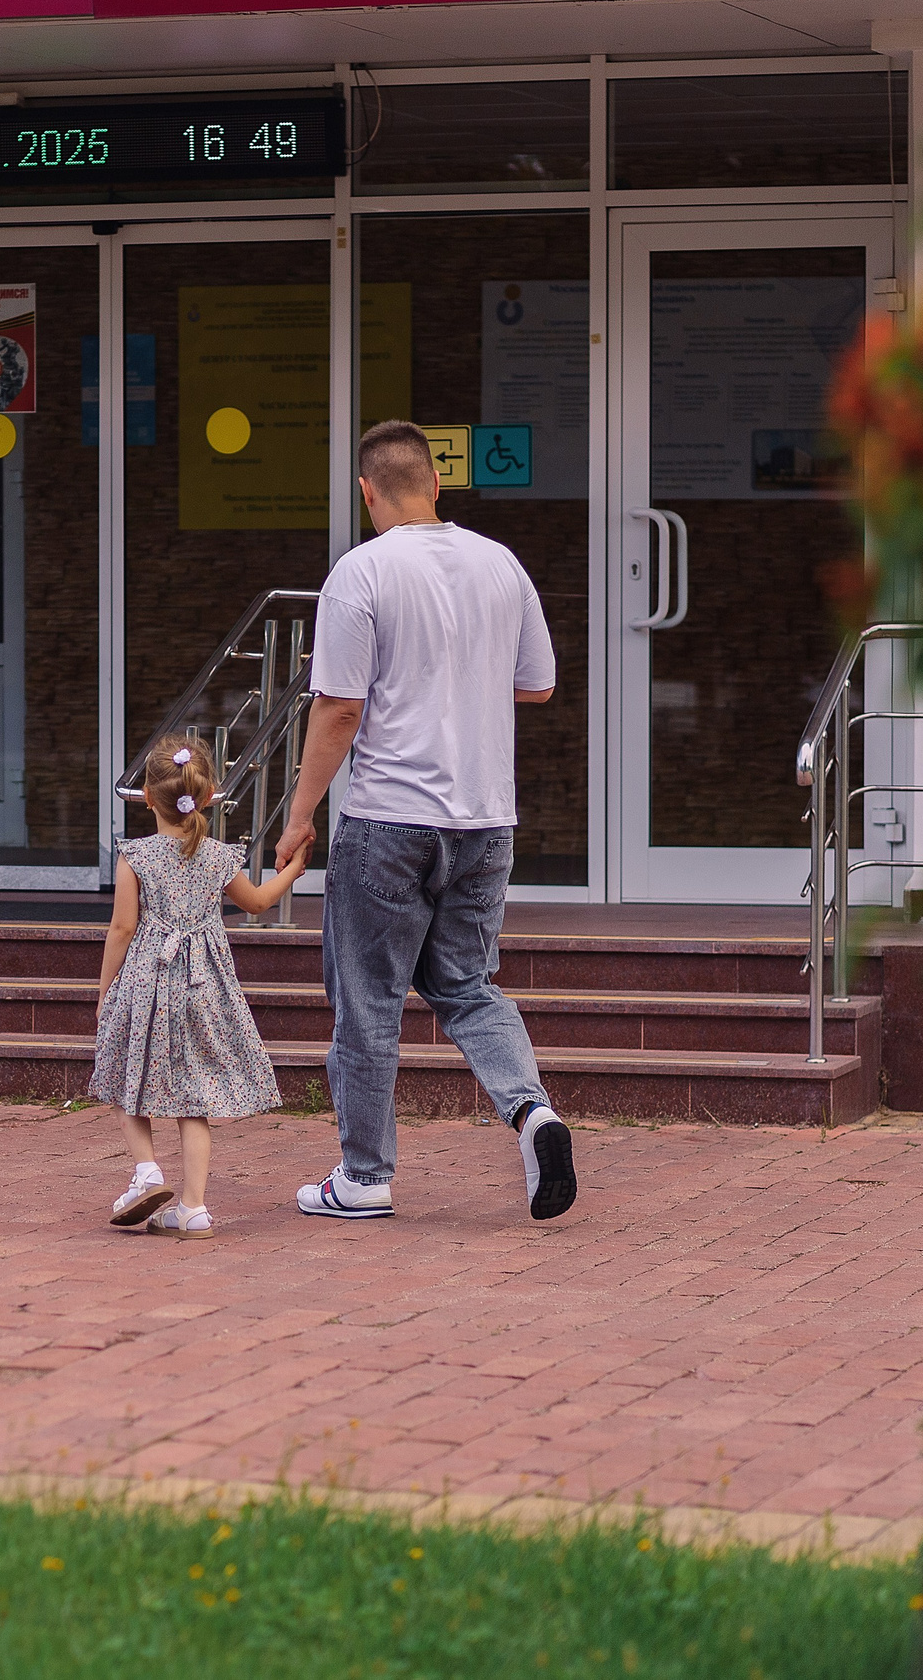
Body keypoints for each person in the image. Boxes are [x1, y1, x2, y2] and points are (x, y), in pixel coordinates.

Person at [275, 419, 577, 1224]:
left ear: (367, 491)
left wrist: (299, 816)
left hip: (387, 820)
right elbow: (538, 685)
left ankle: (365, 1176)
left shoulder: (361, 572)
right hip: (484, 820)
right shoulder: (501, 564)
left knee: (369, 1000)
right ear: (437, 484)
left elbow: (339, 707)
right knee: (469, 986)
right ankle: (533, 1112)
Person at [90, 741, 311, 1240]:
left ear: (146, 796)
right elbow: (255, 903)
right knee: (195, 1095)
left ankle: (146, 1170)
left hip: (149, 981)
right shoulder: (216, 858)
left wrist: (106, 990)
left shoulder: (136, 856)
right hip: (204, 985)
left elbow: (122, 929)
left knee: (131, 1073)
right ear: (209, 796)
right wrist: (294, 870)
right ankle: (193, 1207)